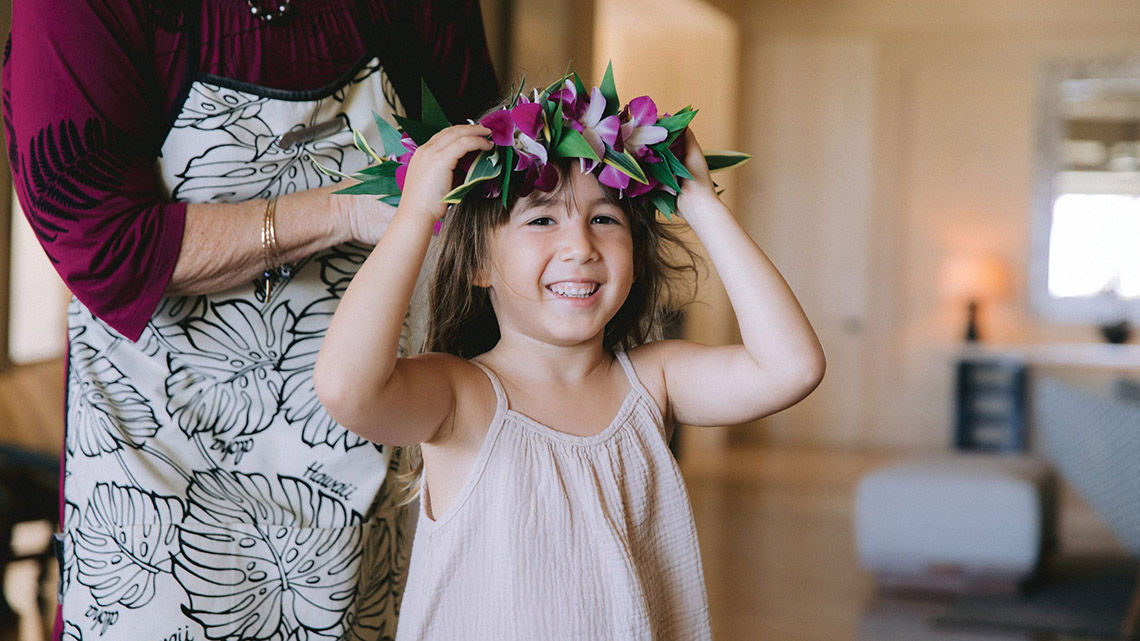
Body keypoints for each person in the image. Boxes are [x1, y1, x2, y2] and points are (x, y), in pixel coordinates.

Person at [2, 1, 498, 640]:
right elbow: (103, 244)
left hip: (374, 456)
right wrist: (345, 211)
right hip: (159, 471)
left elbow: (480, 167)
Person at [314, 76, 827, 640]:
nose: (581, 246)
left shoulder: (653, 382)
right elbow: (347, 388)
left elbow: (792, 368)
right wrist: (415, 215)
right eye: (541, 219)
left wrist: (700, 202)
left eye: (605, 219)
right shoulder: (462, 397)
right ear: (478, 265)